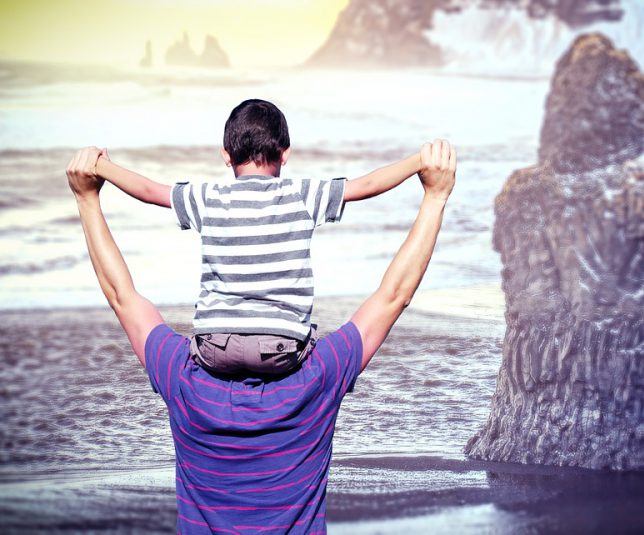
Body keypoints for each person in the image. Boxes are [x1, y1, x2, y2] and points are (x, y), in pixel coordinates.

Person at [65, 139, 456, 534]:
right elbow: (394, 296)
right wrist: (434, 197)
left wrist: (87, 200)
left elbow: (123, 298)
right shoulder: (318, 379)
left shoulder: (184, 380)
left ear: (226, 154)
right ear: (284, 153)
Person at [93, 99, 424, 376]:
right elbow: (366, 186)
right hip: (281, 349)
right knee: (308, 340)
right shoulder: (302, 195)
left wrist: (103, 168)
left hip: (214, 347)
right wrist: (417, 162)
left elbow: (150, 191)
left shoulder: (208, 197)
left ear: (226, 154)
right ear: (285, 152)